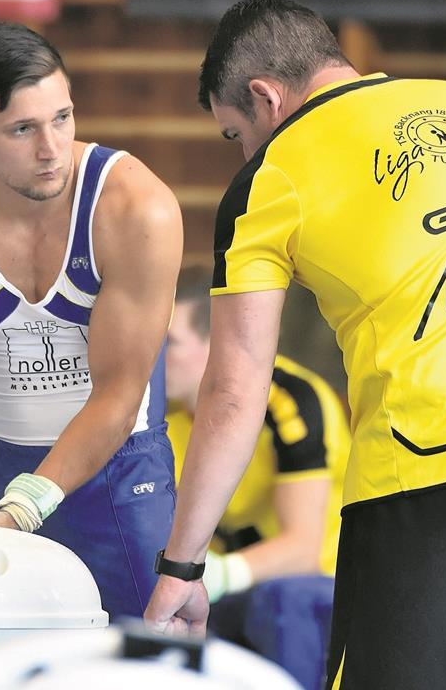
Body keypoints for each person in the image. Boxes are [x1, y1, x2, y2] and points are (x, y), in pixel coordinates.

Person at [144, 0, 446, 690]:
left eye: (235, 134)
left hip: (427, 462)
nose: (242, 154)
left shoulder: (272, 175)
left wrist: (183, 566)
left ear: (265, 97)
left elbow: (236, 389)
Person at [0, 22, 184, 619]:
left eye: (63, 118)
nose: (52, 150)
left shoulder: (134, 206)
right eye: (23, 129)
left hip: (121, 469)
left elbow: (121, 394)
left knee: (152, 652)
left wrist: (32, 501)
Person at [166, 263, 349, 688]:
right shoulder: (163, 413)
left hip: (317, 587)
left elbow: (303, 548)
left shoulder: (288, 398)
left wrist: (215, 575)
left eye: (169, 342)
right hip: (226, 588)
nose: (154, 356)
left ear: (215, 344)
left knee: (281, 601)